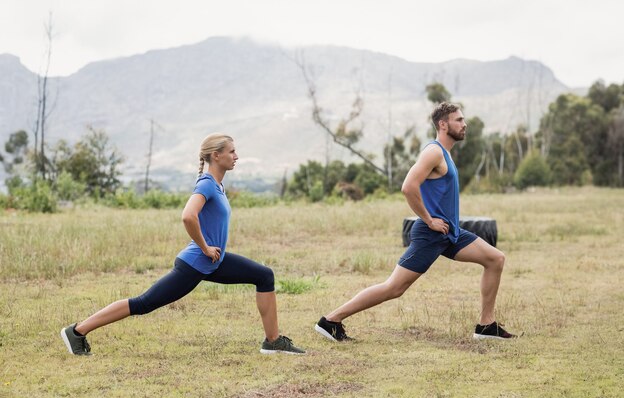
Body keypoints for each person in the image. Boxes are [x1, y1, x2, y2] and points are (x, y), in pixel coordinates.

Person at [61, 133, 305, 355]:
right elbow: (188, 216)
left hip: (213, 261)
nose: (236, 156)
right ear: (215, 155)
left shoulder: (217, 185)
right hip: (197, 263)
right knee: (143, 303)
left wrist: (210, 250)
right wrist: (205, 247)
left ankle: (272, 341)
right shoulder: (207, 183)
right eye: (231, 151)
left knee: (264, 276)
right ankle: (77, 331)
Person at [315, 102, 516, 342]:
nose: (465, 124)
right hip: (432, 233)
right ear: (443, 124)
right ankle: (331, 320)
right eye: (459, 120)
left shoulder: (446, 153)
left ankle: (486, 326)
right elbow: (408, 187)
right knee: (394, 288)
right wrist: (429, 220)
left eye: (463, 120)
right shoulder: (434, 152)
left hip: (450, 232)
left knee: (495, 259)